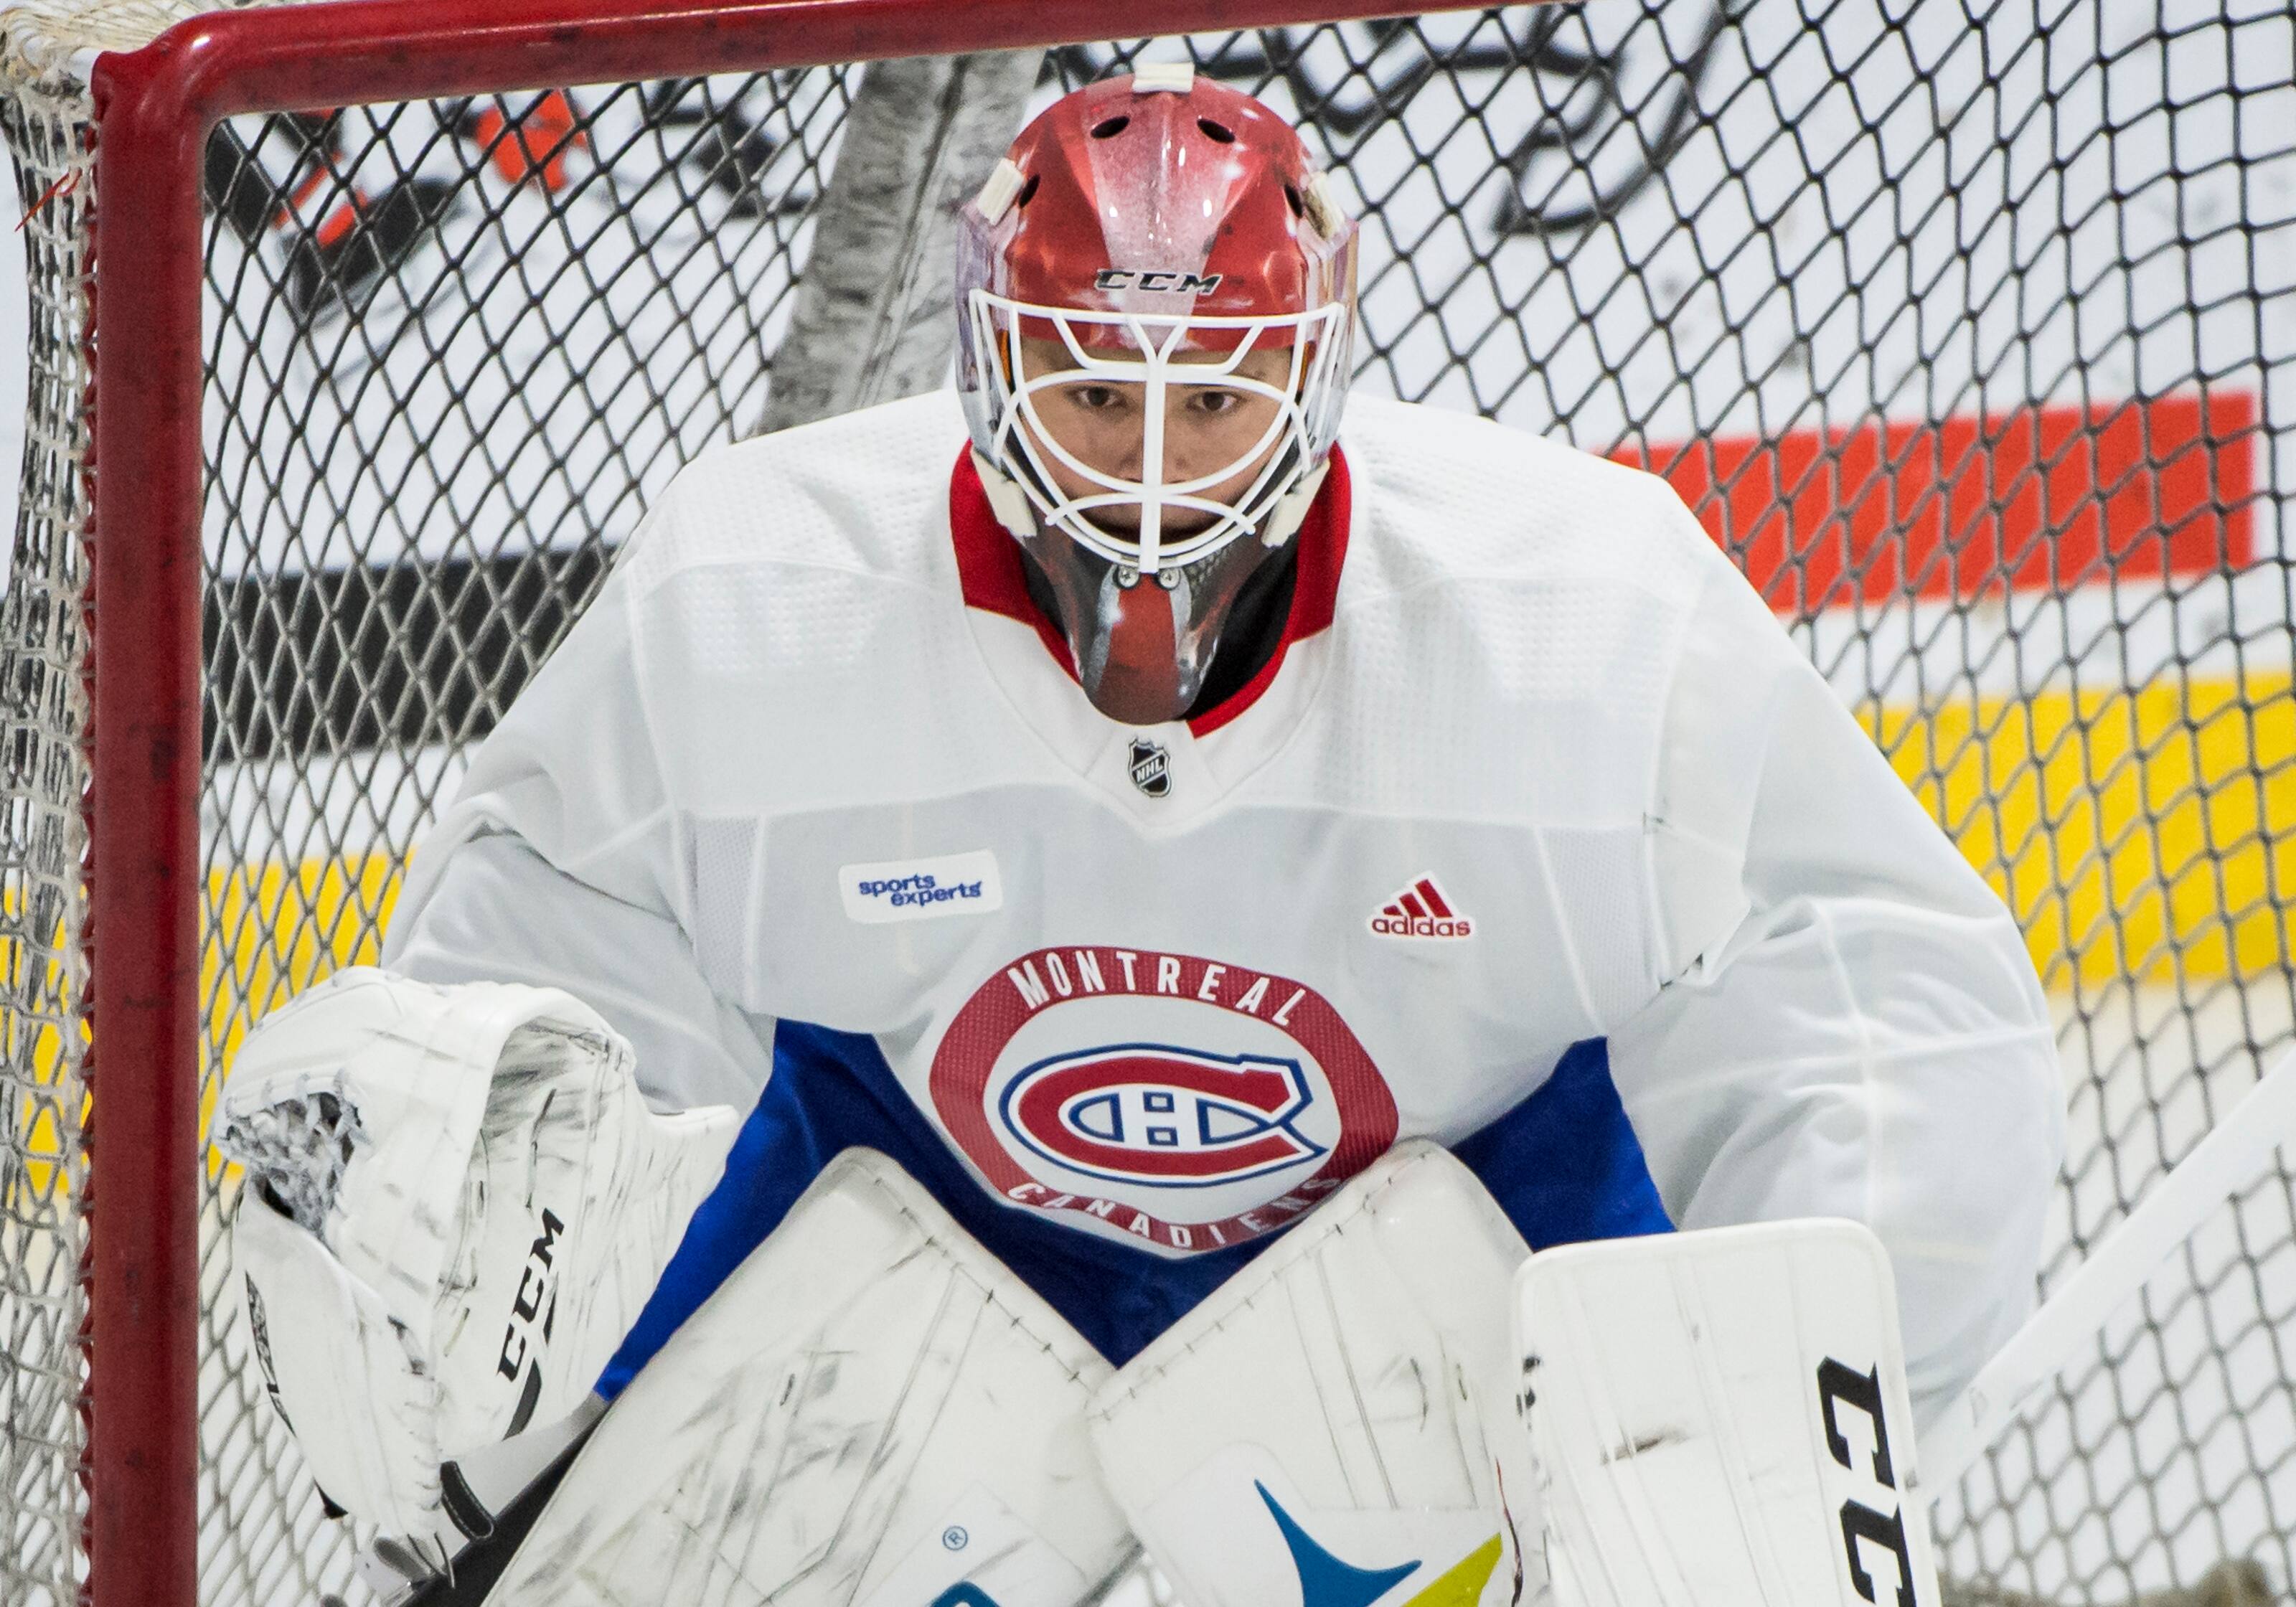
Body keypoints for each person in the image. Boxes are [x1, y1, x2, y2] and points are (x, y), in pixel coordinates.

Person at [222, 64, 2062, 1605]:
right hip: (914, 1218)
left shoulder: (1582, 613)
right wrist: (493, 1383)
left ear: (1318, 367)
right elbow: (528, 1002)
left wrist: (1784, 1414)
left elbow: (1883, 997)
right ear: (996, 363)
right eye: (1102, 391)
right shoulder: (752, 597)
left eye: (1216, 391)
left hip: (1476, 1231)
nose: (1156, 463)